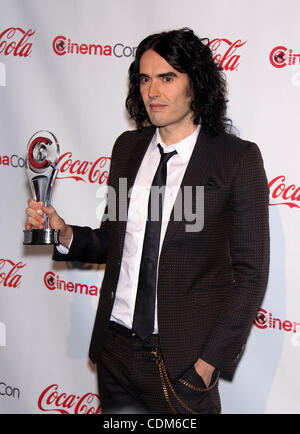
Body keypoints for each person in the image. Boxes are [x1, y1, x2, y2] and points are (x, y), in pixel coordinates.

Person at [25, 28, 270, 414]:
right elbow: (114, 239)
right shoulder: (128, 149)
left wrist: (207, 365)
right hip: (116, 353)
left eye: (167, 77)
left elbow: (252, 274)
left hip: (183, 364)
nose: (152, 91)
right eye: (144, 78)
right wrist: (65, 232)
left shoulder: (235, 159)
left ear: (197, 84)